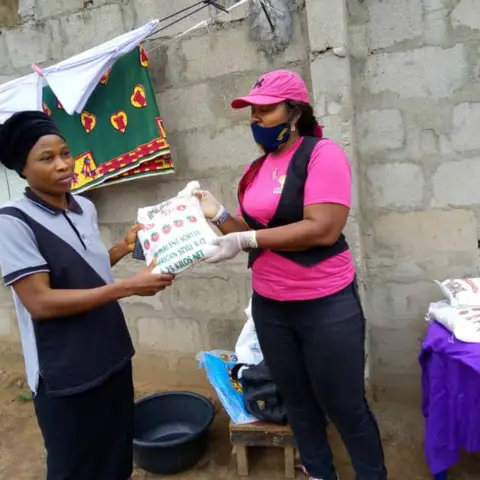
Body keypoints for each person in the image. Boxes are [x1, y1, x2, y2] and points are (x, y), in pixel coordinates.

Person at [195, 70, 388, 480]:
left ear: (294, 111)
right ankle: (319, 473)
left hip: (324, 305)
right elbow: (254, 231)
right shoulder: (257, 168)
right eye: (252, 112)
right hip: (271, 307)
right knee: (298, 402)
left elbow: (323, 228)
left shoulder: (321, 154)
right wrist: (220, 215)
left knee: (345, 406)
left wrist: (245, 239)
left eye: (266, 110)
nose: (256, 119)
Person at [0, 111, 174, 480]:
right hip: (64, 371)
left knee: (114, 457)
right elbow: (41, 303)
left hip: (110, 354)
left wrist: (120, 249)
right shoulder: (12, 222)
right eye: (47, 158)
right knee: (74, 466)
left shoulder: (84, 208)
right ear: (22, 170)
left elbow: (84, 274)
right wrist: (128, 287)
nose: (64, 165)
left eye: (65, 153)